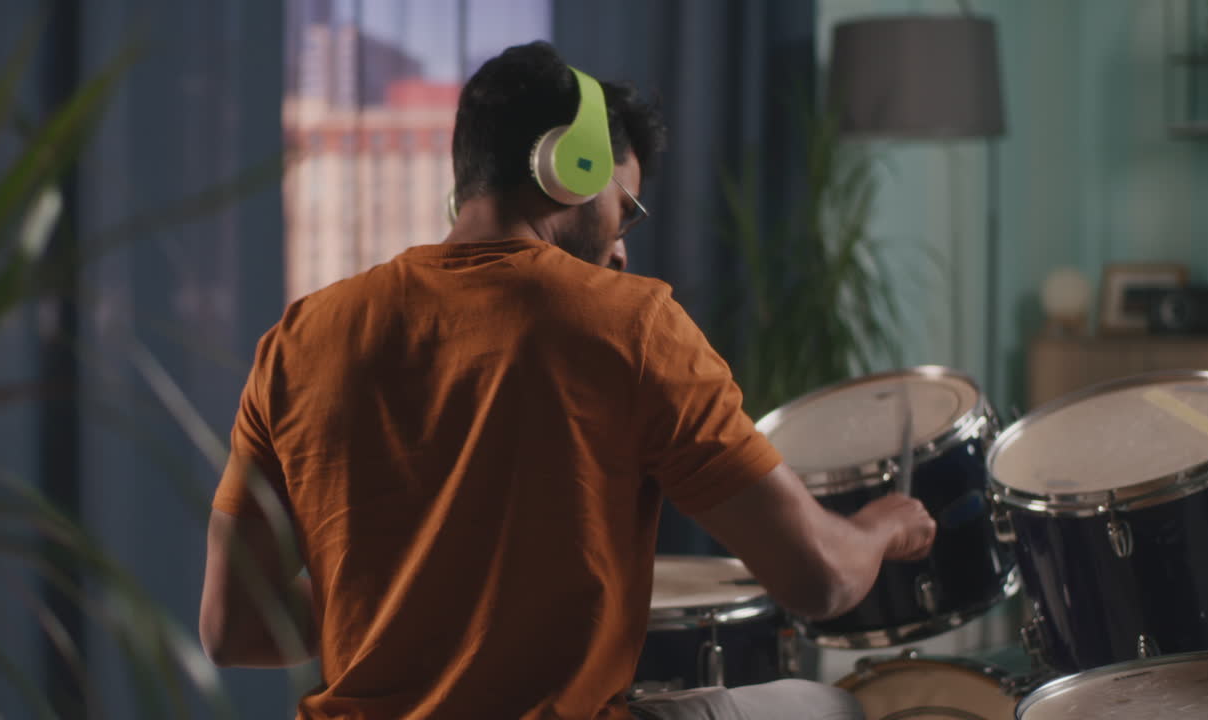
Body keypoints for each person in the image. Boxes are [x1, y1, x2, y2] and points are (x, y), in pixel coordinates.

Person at [199, 41, 936, 720]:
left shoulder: (299, 339)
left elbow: (234, 629)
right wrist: (882, 526)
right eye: (627, 210)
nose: (619, 250)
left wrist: (404, 593)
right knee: (829, 708)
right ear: (571, 168)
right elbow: (820, 583)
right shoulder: (630, 324)